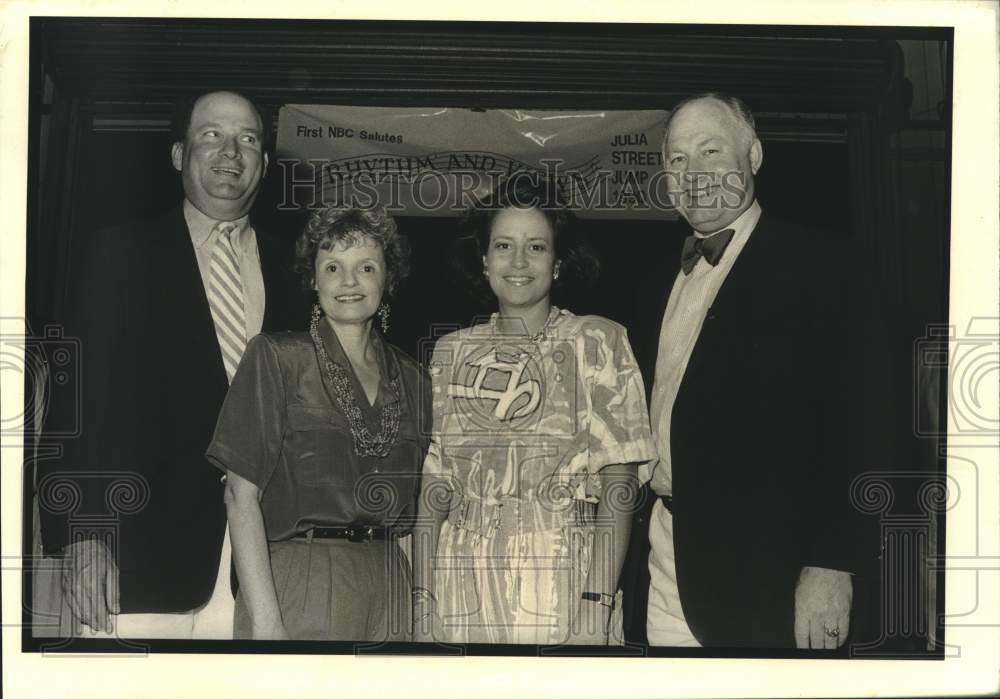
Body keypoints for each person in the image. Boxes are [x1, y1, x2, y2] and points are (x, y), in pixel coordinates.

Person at [36, 89, 301, 639]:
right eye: (212, 134)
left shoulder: (297, 270)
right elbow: (76, 405)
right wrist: (85, 533)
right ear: (180, 153)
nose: (231, 151)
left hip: (263, 567)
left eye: (247, 139)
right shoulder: (119, 255)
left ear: (265, 164)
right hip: (137, 560)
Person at [645, 92, 865, 648]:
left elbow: (862, 420)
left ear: (755, 156)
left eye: (711, 150)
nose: (692, 173)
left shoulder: (821, 265)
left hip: (771, 571)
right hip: (665, 555)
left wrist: (832, 561)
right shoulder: (652, 278)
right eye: (676, 159)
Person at [412, 176, 656, 645]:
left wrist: (596, 603)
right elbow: (434, 487)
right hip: (460, 575)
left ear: (559, 262)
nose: (518, 262)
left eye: (536, 247)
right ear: (483, 260)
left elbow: (620, 482)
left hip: (562, 575)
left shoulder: (597, 341)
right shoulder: (450, 352)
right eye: (503, 245)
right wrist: (422, 598)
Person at [205, 204, 430, 641]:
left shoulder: (416, 379)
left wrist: (421, 605)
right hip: (300, 577)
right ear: (314, 279)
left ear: (388, 277)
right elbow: (239, 496)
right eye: (332, 266)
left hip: (390, 581)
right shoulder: (276, 358)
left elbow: (418, 514)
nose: (349, 282)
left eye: (365, 266)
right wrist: (268, 622)